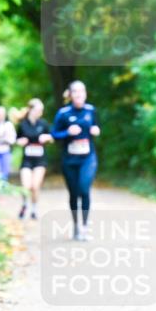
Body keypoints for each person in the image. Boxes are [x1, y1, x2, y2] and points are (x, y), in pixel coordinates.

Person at [51, 81, 100, 241]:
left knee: (84, 189)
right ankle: (76, 226)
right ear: (70, 95)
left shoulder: (91, 110)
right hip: (69, 160)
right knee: (73, 193)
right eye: (75, 92)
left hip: (88, 157)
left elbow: (96, 126)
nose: (79, 94)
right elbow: (54, 134)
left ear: (85, 94)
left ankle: (85, 227)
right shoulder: (63, 113)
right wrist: (67, 132)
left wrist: (95, 130)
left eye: (82, 91)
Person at [16, 98, 53, 220]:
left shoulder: (43, 124)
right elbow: (17, 139)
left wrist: (47, 138)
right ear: (30, 110)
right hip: (27, 159)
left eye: (41, 110)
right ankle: (24, 205)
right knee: (26, 186)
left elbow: (52, 138)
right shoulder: (22, 125)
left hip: (40, 160)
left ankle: (34, 209)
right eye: (38, 110)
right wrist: (20, 142)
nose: (40, 113)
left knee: (35, 186)